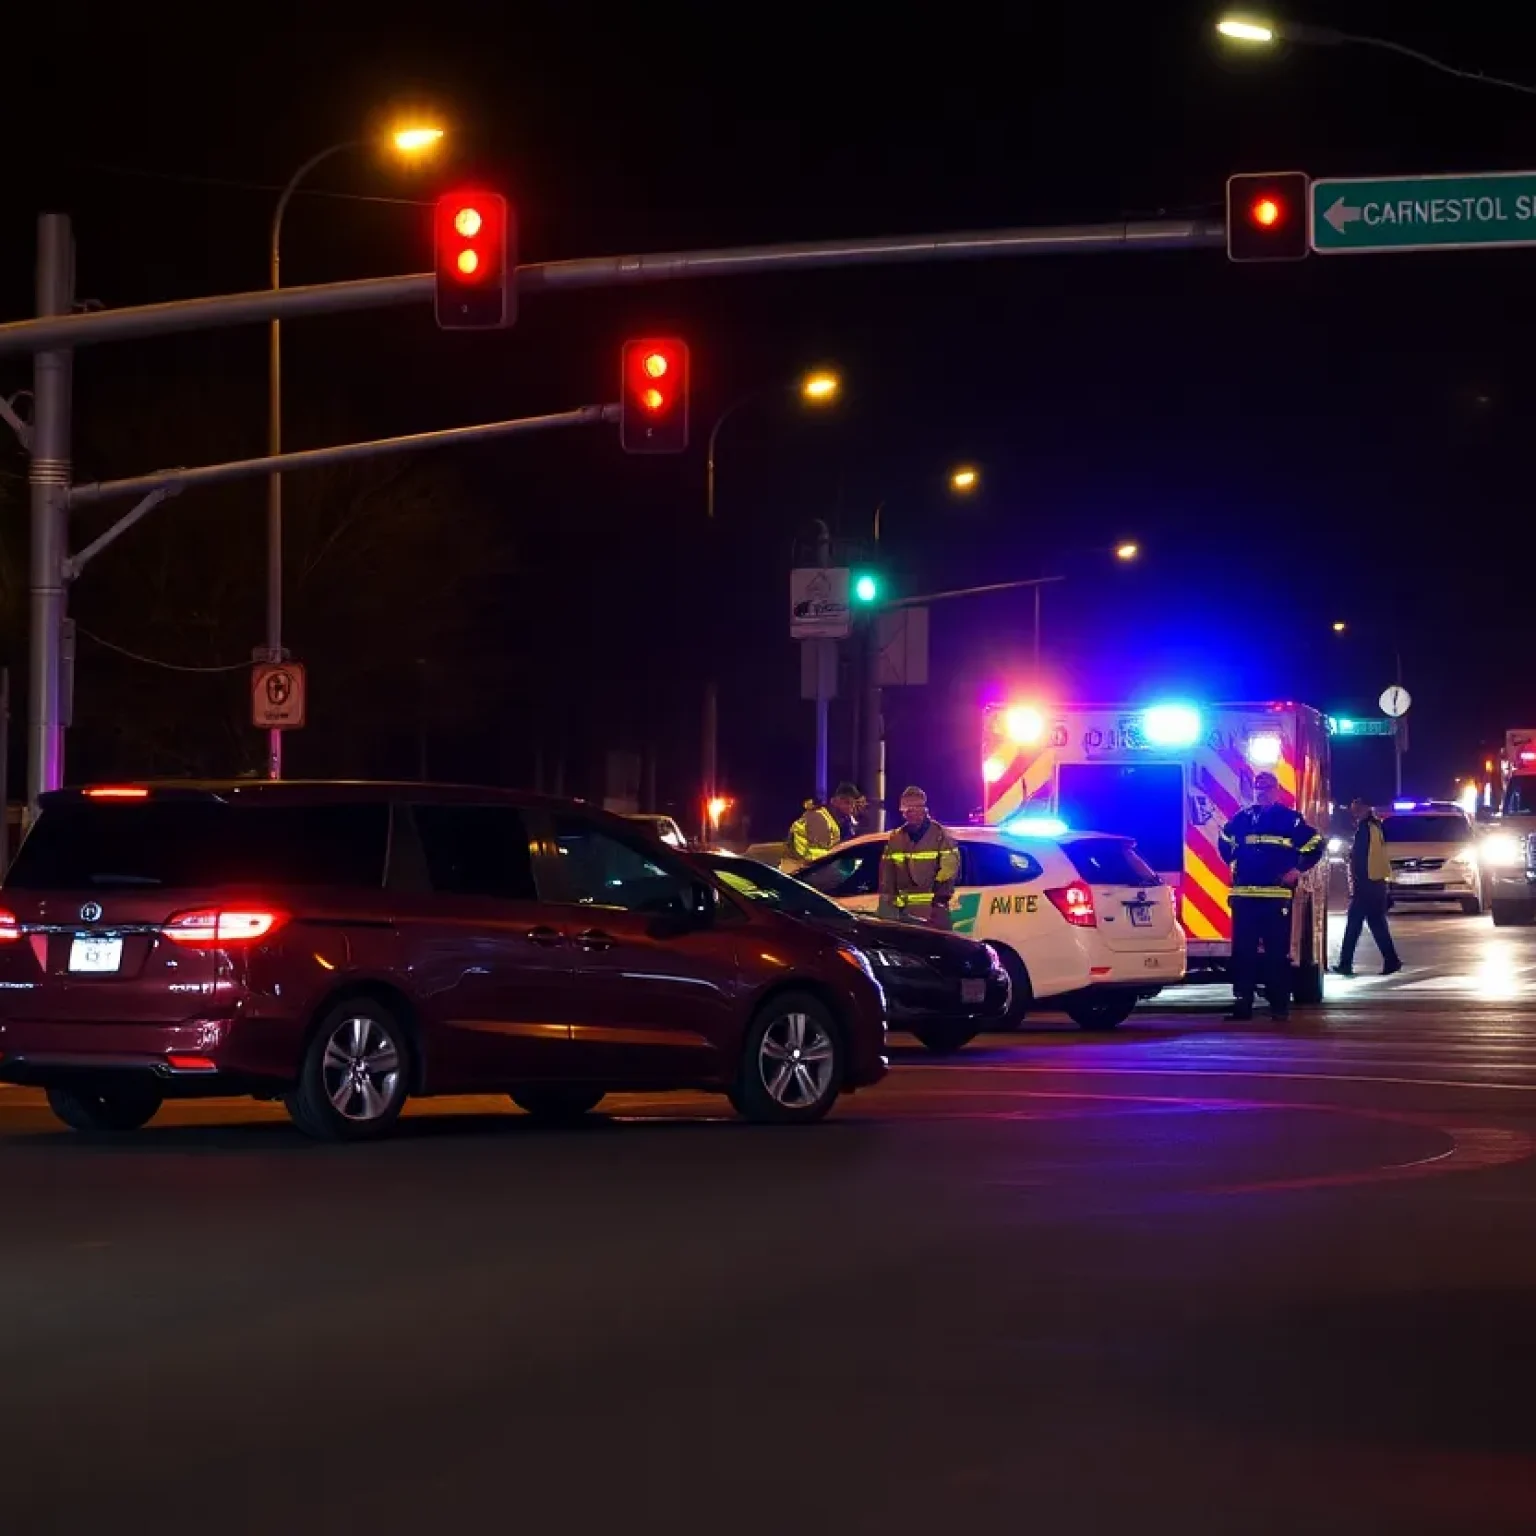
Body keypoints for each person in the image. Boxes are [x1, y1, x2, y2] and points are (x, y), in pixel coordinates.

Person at [1217, 769, 1325, 1021]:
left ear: (1276, 791)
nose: (1262, 794)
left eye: (1267, 789)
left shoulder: (1289, 820)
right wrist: (1232, 861)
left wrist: (1297, 869)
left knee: (1277, 953)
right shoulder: (1242, 818)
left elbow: (1315, 843)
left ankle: (1279, 1006)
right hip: (1244, 896)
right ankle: (1243, 1003)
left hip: (1275, 897)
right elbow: (1224, 839)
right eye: (1258, 789)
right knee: (1243, 952)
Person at [878, 785, 962, 928]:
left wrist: (939, 903)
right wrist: (889, 905)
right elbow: (887, 875)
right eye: (904, 810)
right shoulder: (896, 837)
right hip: (902, 916)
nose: (908, 814)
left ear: (923, 809)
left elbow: (949, 871)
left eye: (912, 810)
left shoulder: (941, 835)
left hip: (933, 914)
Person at [1336, 796, 1402, 977]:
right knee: (1376, 923)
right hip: (1375, 883)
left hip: (1367, 884)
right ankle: (1391, 960)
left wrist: (1358, 880)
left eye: (1356, 806)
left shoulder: (1366, 828)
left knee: (1354, 924)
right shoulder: (1374, 826)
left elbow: (1362, 858)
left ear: (1364, 807)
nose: (1353, 809)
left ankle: (1345, 964)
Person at [783, 783, 861, 870]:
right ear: (833, 801)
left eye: (853, 803)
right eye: (847, 802)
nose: (851, 807)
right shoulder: (819, 818)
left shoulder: (840, 820)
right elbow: (815, 856)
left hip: (812, 869)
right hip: (797, 871)